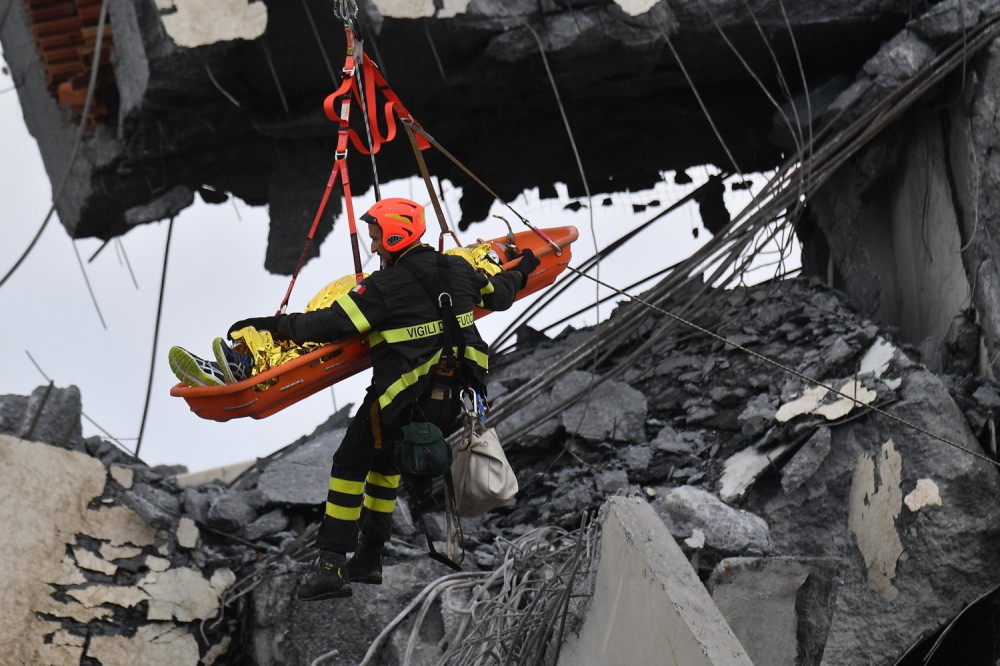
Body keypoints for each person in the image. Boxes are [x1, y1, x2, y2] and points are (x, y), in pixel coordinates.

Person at [173, 197, 539, 601]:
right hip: (456, 400)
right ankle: (368, 558)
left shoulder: (384, 287)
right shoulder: (459, 269)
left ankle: (330, 565)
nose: (374, 246)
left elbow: (329, 324)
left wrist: (270, 326)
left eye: (377, 237)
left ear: (397, 236)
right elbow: (500, 294)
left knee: (349, 465)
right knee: (385, 465)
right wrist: (523, 266)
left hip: (403, 398)